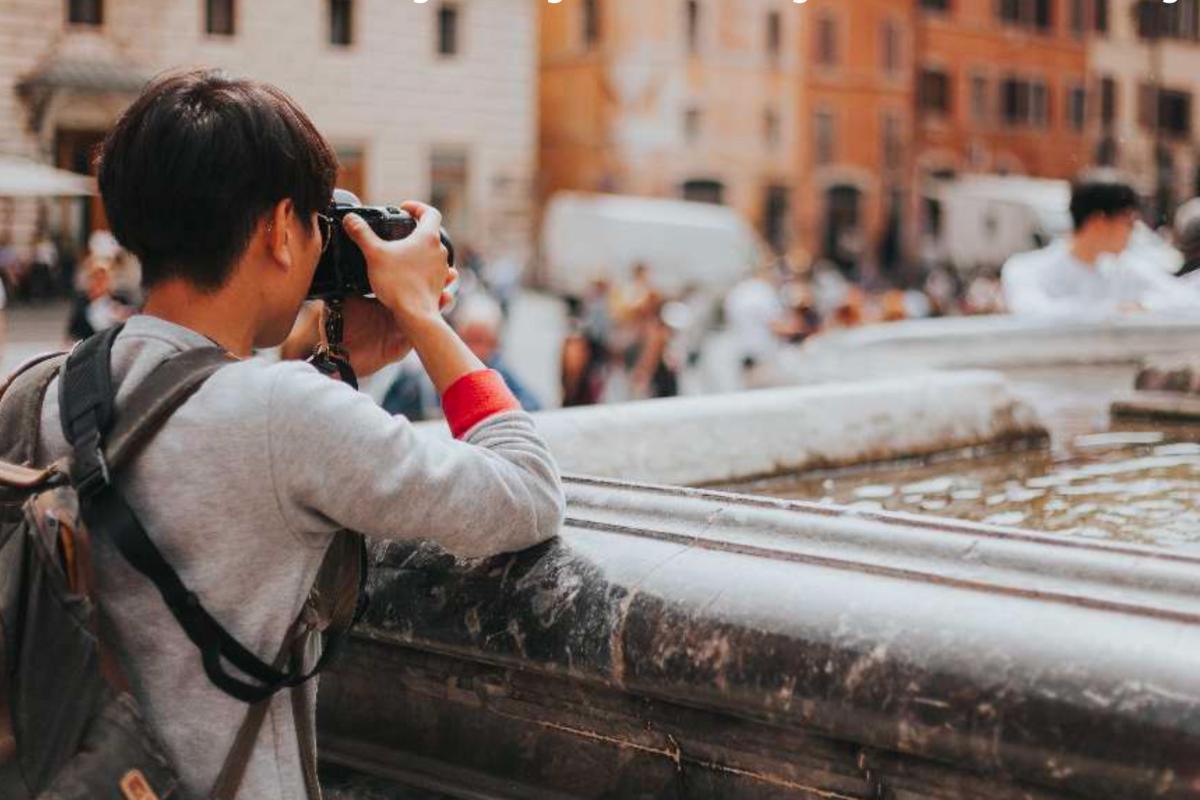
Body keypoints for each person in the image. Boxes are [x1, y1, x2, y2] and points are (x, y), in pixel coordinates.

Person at [33, 70, 564, 799]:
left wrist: (335, 366)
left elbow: (217, 414)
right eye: (319, 225)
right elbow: (527, 493)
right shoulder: (284, 413)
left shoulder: (45, 384)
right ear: (282, 230)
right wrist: (423, 315)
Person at [1001, 178, 1196, 316]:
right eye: (1128, 223)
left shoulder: (1123, 269)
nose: (1133, 231)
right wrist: (1113, 312)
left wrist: (1145, 306)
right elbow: (1032, 313)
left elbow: (1187, 300)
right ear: (1099, 222)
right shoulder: (1027, 269)